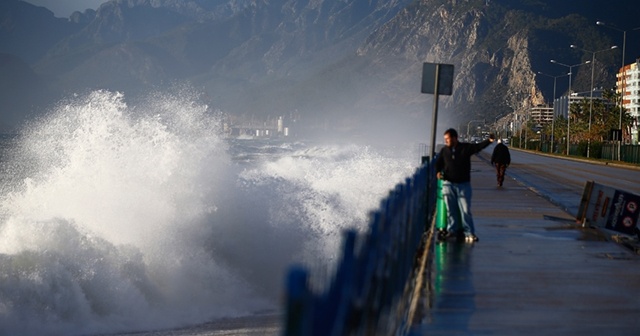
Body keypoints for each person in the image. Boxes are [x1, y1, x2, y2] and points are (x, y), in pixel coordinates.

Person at [435, 128, 494, 242]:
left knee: (465, 210)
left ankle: (469, 233)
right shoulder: (444, 151)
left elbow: (478, 147)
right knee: (450, 210)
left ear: (454, 138)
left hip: (463, 184)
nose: (446, 141)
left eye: (448, 139)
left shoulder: (465, 148)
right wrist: (438, 172)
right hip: (448, 184)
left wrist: (489, 141)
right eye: (445, 139)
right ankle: (452, 231)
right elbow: (438, 164)